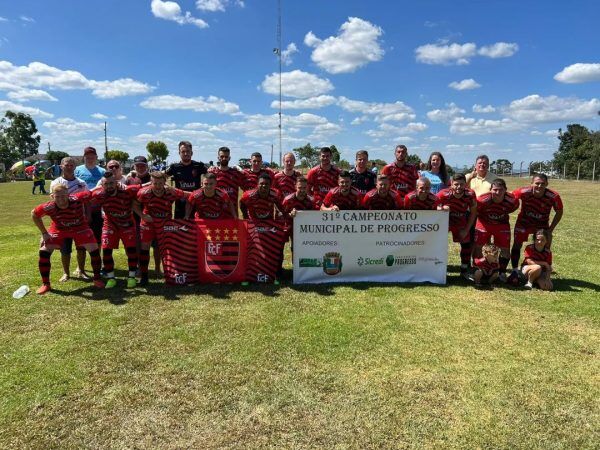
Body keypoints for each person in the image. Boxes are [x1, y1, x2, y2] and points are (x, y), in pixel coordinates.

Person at [31, 184, 104, 294]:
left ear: (69, 195)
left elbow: (95, 192)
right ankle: (46, 284)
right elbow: (34, 214)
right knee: (44, 251)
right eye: (58, 197)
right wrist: (44, 233)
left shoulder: (78, 198)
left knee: (94, 250)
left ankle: (97, 278)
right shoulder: (48, 207)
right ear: (52, 196)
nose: (61, 199)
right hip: (59, 229)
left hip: (80, 227)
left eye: (64, 196)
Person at [136, 171, 188, 286]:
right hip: (148, 224)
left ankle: (165, 274)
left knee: (164, 249)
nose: (158, 186)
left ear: (165, 182)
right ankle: (144, 277)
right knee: (145, 248)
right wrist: (142, 215)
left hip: (165, 224)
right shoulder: (144, 193)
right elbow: (134, 204)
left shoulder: (171, 192)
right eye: (155, 183)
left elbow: (190, 196)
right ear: (151, 183)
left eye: (160, 183)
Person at [508, 173, 563, 281]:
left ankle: (542, 270)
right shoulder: (524, 191)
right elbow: (510, 195)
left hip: (541, 224)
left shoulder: (553, 196)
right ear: (531, 183)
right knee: (517, 245)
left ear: (547, 184)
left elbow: (559, 211)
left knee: (544, 247)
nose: (539, 186)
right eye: (537, 183)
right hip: (524, 222)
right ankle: (515, 270)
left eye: (543, 184)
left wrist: (550, 229)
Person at [91, 172, 140, 288]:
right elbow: (83, 196)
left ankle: (132, 277)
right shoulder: (99, 194)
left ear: (117, 183)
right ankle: (111, 278)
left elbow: (147, 186)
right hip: (110, 225)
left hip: (127, 224)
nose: (109, 186)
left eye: (112, 183)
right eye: (106, 184)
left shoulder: (127, 191)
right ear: (102, 185)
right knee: (106, 251)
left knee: (131, 250)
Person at [50, 157, 90, 282]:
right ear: (61, 166)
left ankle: (81, 270)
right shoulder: (55, 183)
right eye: (67, 165)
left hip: (79, 221)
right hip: (63, 222)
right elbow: (52, 201)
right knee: (65, 249)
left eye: (72, 165)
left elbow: (87, 200)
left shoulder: (82, 183)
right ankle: (66, 273)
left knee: (81, 248)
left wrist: (88, 215)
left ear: (75, 167)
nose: (69, 167)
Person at [475, 178, 519, 281]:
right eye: (495, 190)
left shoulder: (512, 200)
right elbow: (476, 210)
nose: (498, 192)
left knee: (505, 249)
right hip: (484, 223)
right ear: (490, 190)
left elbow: (514, 208)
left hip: (502, 224)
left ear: (505, 190)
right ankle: (479, 268)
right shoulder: (481, 199)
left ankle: (502, 272)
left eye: (501, 190)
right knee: (478, 246)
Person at [436, 173, 478, 278]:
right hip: (445, 222)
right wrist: (440, 208)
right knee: (439, 245)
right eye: (456, 184)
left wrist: (467, 230)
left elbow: (473, 213)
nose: (459, 187)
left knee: (466, 245)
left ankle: (464, 271)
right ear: (451, 184)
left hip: (461, 222)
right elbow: (434, 206)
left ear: (465, 184)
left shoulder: (470, 194)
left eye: (461, 184)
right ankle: (440, 269)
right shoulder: (443, 194)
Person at [166, 140, 207, 219]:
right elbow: (161, 176)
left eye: (188, 151)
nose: (185, 154)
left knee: (197, 229)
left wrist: (204, 185)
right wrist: (168, 188)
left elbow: (212, 174)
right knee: (179, 229)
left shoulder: (199, 165)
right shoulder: (174, 167)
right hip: (180, 204)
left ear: (192, 153)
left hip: (196, 203)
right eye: (183, 151)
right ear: (179, 153)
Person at [75, 147, 105, 245]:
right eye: (87, 157)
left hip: (98, 208)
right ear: (84, 157)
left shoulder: (102, 171)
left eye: (92, 157)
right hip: (81, 208)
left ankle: (97, 258)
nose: (90, 159)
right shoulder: (77, 170)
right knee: (82, 239)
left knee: (98, 237)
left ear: (96, 157)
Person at [207, 146, 245, 215]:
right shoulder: (213, 173)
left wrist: (240, 169)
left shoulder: (236, 173)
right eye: (222, 156)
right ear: (218, 158)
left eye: (226, 156)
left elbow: (245, 186)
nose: (224, 158)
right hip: (216, 212)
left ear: (229, 158)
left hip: (232, 212)